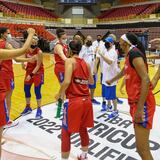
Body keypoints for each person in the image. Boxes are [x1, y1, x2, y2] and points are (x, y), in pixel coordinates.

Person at [107, 33, 155, 160]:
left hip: (142, 103)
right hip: (136, 102)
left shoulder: (134, 54)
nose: (119, 44)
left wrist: (140, 109)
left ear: (126, 43)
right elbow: (124, 70)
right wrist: (112, 80)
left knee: (142, 150)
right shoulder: (130, 55)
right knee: (142, 149)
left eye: (121, 42)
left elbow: (145, 79)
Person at [0, 27, 35, 159]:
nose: (9, 35)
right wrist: (30, 34)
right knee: (7, 98)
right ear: (3, 34)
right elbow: (21, 53)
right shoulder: (5, 45)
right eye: (8, 33)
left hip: (4, 74)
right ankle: (7, 120)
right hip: (6, 75)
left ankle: (7, 118)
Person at [55, 40, 94, 160]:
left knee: (66, 132)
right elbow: (91, 82)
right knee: (83, 129)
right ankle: (84, 156)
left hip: (75, 101)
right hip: (87, 101)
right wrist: (81, 80)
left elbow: (66, 81)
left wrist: (59, 93)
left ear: (70, 50)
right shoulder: (86, 63)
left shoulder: (69, 61)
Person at [20, 35, 44, 119]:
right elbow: (23, 57)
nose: (33, 43)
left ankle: (39, 109)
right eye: (32, 42)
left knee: (37, 91)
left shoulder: (39, 52)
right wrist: (22, 64)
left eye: (35, 42)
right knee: (26, 89)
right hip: (29, 70)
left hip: (38, 72)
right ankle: (28, 107)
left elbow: (38, 65)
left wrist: (31, 75)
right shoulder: (26, 49)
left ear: (37, 43)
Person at [98, 37, 119, 118]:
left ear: (111, 43)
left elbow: (110, 62)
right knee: (107, 94)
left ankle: (115, 110)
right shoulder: (107, 51)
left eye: (107, 42)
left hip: (111, 77)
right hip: (106, 76)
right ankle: (109, 106)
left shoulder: (113, 52)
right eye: (105, 42)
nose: (106, 43)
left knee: (112, 95)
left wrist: (101, 55)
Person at [79, 35, 100, 105]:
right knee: (85, 86)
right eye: (88, 40)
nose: (89, 42)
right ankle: (85, 99)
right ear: (85, 40)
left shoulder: (93, 47)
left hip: (93, 71)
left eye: (91, 40)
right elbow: (80, 59)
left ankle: (92, 98)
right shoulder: (82, 48)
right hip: (85, 71)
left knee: (93, 86)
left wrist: (95, 68)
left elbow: (95, 58)